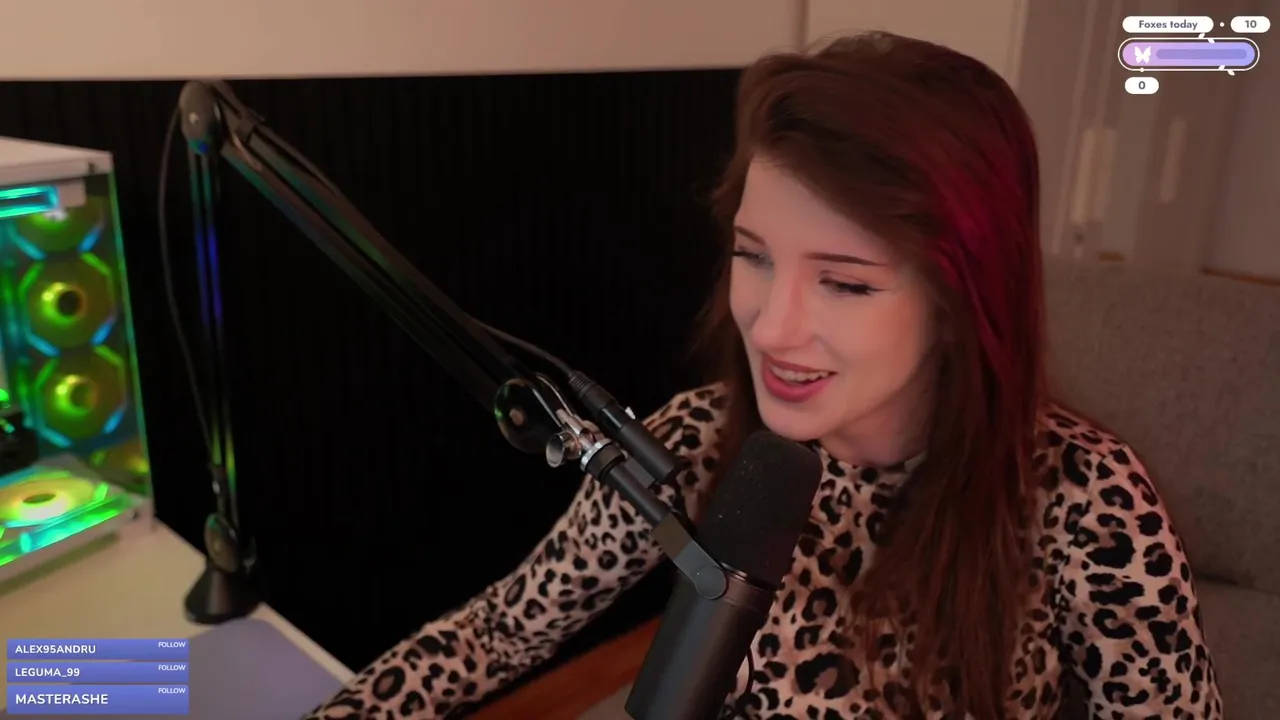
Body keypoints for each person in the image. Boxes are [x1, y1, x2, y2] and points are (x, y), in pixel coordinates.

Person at [303, 31, 1222, 719]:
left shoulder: (1086, 499)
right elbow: (501, 630)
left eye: (845, 282)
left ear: (960, 298)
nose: (772, 327)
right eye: (753, 255)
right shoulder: (696, 444)